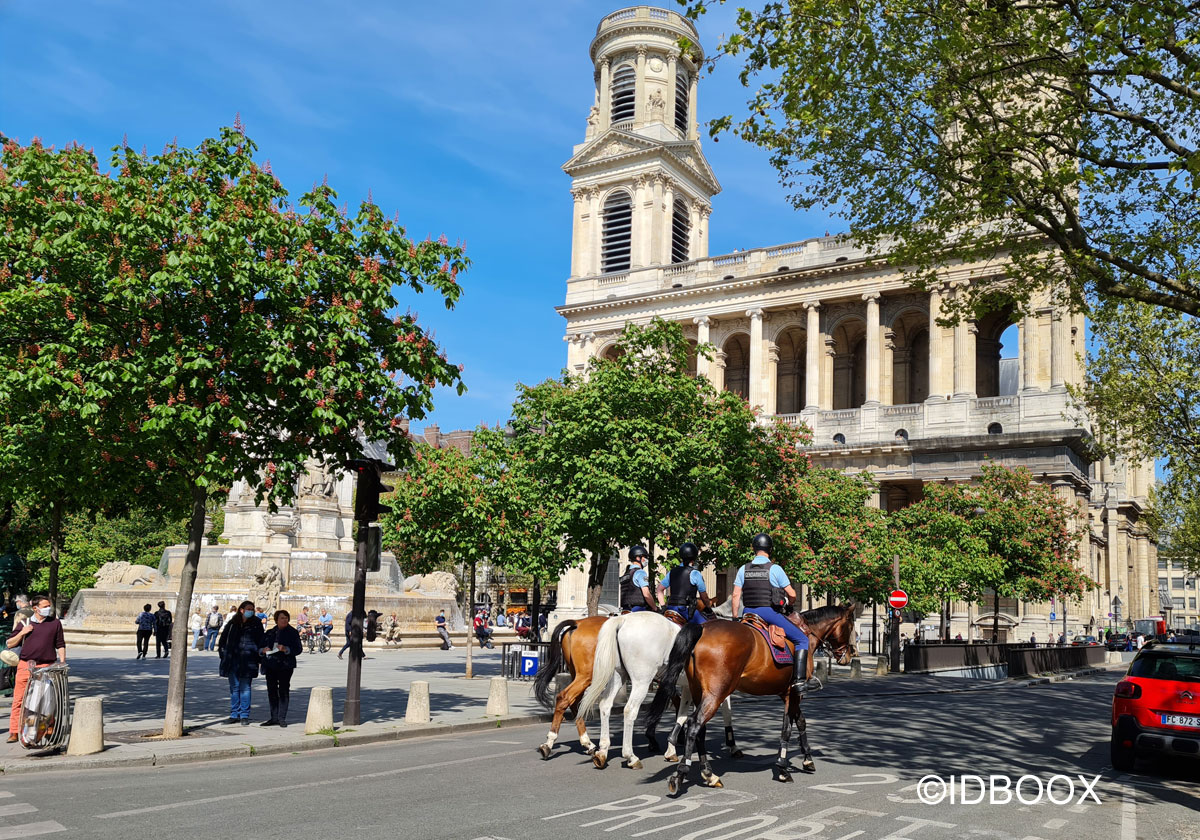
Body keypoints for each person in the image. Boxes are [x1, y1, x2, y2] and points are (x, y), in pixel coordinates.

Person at [731, 533, 811, 693]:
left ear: (753, 549)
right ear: (770, 550)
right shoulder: (775, 569)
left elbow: (735, 596)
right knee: (802, 639)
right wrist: (790, 604)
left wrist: (735, 618)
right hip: (768, 612)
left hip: (748, 613)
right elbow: (792, 594)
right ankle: (799, 681)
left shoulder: (743, 569)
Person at [6, 596, 65, 743]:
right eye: (45, 606)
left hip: (46, 666)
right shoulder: (24, 623)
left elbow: (60, 644)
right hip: (26, 666)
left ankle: (48, 728)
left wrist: (62, 662)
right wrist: (22, 632)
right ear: (35, 608)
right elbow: (10, 643)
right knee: (19, 699)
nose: (48, 608)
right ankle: (14, 731)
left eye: (49, 606)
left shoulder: (55, 623)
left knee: (47, 700)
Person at [218, 600, 265, 725]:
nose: (251, 611)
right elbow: (223, 639)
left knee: (245, 688)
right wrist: (223, 654)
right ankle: (234, 714)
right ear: (241, 610)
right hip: (233, 660)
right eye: (249, 608)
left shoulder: (256, 623)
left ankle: (244, 715)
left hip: (249, 660)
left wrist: (258, 656)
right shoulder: (233, 623)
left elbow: (261, 641)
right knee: (234, 688)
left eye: (252, 609)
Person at [260, 610, 302, 727]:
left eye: (286, 618)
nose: (284, 620)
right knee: (272, 691)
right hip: (271, 665)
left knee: (283, 690)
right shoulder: (270, 632)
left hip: (285, 665)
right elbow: (261, 646)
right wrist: (263, 650)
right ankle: (273, 717)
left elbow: (298, 649)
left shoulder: (292, 632)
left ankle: (282, 718)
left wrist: (286, 649)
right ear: (276, 620)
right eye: (282, 618)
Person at [657, 542, 712, 624]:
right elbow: (704, 596)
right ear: (694, 558)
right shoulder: (695, 573)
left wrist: (663, 606)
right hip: (686, 611)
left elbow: (659, 589)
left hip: (670, 609)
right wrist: (708, 607)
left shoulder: (672, 572)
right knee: (708, 627)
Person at [619, 545, 657, 613]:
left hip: (625, 610)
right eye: (644, 557)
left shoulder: (626, 574)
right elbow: (646, 594)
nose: (646, 560)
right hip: (638, 610)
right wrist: (655, 607)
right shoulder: (640, 573)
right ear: (638, 558)